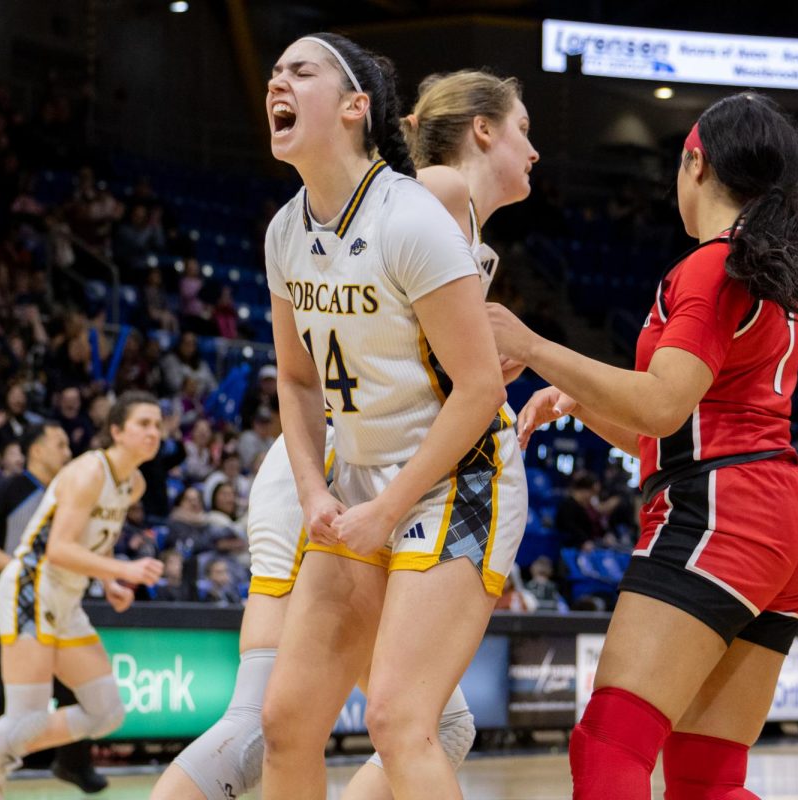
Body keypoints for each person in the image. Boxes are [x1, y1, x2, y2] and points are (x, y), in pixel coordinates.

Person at [489, 91, 798, 799]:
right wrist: (582, 401)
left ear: (695, 161)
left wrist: (533, 346)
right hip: (777, 515)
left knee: (609, 748)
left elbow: (660, 407)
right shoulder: (767, 273)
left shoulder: (712, 267)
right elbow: (670, 428)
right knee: (705, 779)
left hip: (724, 511)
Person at [248, 35, 529, 800]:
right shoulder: (283, 232)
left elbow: (478, 392)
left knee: (403, 720)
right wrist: (314, 491)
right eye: (274, 73)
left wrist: (390, 507)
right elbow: (299, 383)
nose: (278, 80)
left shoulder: (410, 217)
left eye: (300, 71)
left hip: (460, 478)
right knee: (286, 720)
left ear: (354, 107)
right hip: (362, 480)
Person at [0, 392, 165, 800]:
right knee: (23, 718)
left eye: (158, 425)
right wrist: (123, 569)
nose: (153, 432)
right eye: (143, 424)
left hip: (66, 599)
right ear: (116, 431)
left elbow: (96, 541)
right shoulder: (88, 472)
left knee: (105, 712)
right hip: (30, 589)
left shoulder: (133, 484)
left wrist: (107, 582)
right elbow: (59, 549)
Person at [0, 422, 107, 792]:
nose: (67, 451)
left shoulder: (72, 489)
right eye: (59, 443)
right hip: (8, 598)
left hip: (56, 598)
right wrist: (15, 568)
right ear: (36, 450)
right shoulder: (10, 486)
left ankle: (73, 763)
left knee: (77, 686)